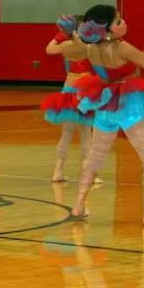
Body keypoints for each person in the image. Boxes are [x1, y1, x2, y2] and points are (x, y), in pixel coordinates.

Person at [59, 4, 144, 226]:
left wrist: (74, 37)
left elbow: (66, 49)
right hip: (130, 106)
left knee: (95, 156)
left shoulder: (91, 50)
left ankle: (79, 205)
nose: (124, 23)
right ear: (108, 30)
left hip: (105, 103)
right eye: (119, 21)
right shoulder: (123, 47)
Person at [40, 14, 101, 184]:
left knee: (68, 134)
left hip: (72, 89)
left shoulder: (68, 45)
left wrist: (59, 37)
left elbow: (49, 49)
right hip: (82, 89)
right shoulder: (86, 45)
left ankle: (58, 171)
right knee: (85, 134)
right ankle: (84, 172)